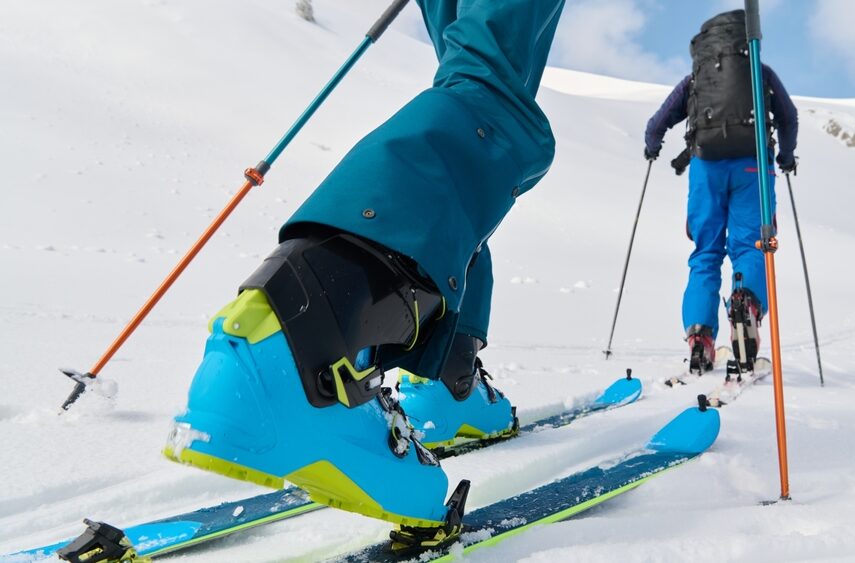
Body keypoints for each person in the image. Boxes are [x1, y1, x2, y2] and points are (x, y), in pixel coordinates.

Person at [165, 0, 564, 551]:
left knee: (474, 94)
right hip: (304, 360)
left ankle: (450, 374)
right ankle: (299, 350)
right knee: (490, 100)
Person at [644, 9, 798, 375]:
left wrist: (653, 146)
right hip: (752, 166)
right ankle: (746, 305)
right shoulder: (759, 72)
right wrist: (785, 156)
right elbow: (788, 116)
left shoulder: (696, 77)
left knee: (705, 253)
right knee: (752, 245)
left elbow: (657, 122)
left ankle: (700, 337)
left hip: (705, 168)